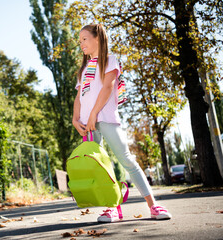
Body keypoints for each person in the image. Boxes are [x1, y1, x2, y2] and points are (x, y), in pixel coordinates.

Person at [72, 23, 172, 223]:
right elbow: (79, 96)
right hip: (87, 124)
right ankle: (112, 208)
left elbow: (107, 87)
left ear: (97, 38)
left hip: (105, 119)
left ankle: (153, 205)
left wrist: (93, 115)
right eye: (79, 39)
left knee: (127, 160)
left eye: (85, 38)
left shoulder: (109, 60)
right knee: (100, 167)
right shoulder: (84, 68)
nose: (81, 43)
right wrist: (76, 119)